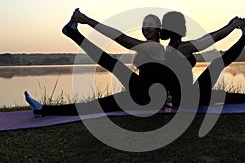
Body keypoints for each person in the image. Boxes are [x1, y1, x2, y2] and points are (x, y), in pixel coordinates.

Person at [25, 10, 181, 117]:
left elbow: (120, 38)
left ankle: (73, 33)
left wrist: (88, 21)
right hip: (143, 97)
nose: (146, 28)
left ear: (158, 29)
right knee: (95, 105)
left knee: (112, 64)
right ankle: (42, 110)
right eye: (144, 25)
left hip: (149, 96)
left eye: (150, 25)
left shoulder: (154, 47)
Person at [160, 11, 245, 107]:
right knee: (218, 63)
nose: (185, 27)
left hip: (182, 99)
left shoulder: (171, 48)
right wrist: (232, 26)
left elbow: (207, 37)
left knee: (217, 95)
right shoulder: (181, 48)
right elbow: (212, 38)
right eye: (182, 24)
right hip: (188, 98)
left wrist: (230, 25)